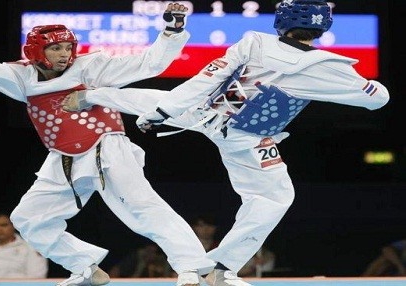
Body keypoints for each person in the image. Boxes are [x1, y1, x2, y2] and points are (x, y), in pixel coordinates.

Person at [59, 0, 390, 285]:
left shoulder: (254, 42)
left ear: (281, 22)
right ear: (323, 28)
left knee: (154, 99)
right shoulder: (330, 67)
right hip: (247, 138)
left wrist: (162, 111)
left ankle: (91, 96)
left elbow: (206, 78)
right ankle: (222, 268)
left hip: (209, 111)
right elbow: (377, 99)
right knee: (273, 197)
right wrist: (360, 86)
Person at [0, 3, 216, 286]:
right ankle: (85, 266)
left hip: (107, 148)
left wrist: (172, 32)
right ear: (36, 50)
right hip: (63, 156)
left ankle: (196, 268)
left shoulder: (91, 67)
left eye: (68, 47)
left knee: (142, 208)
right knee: (28, 218)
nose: (64, 54)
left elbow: (150, 63)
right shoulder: (21, 77)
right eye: (56, 47)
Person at [108, 242, 176, 278]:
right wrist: (142, 264)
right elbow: (114, 271)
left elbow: (172, 276)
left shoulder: (163, 259)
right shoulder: (135, 257)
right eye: (148, 251)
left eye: (153, 252)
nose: (150, 254)